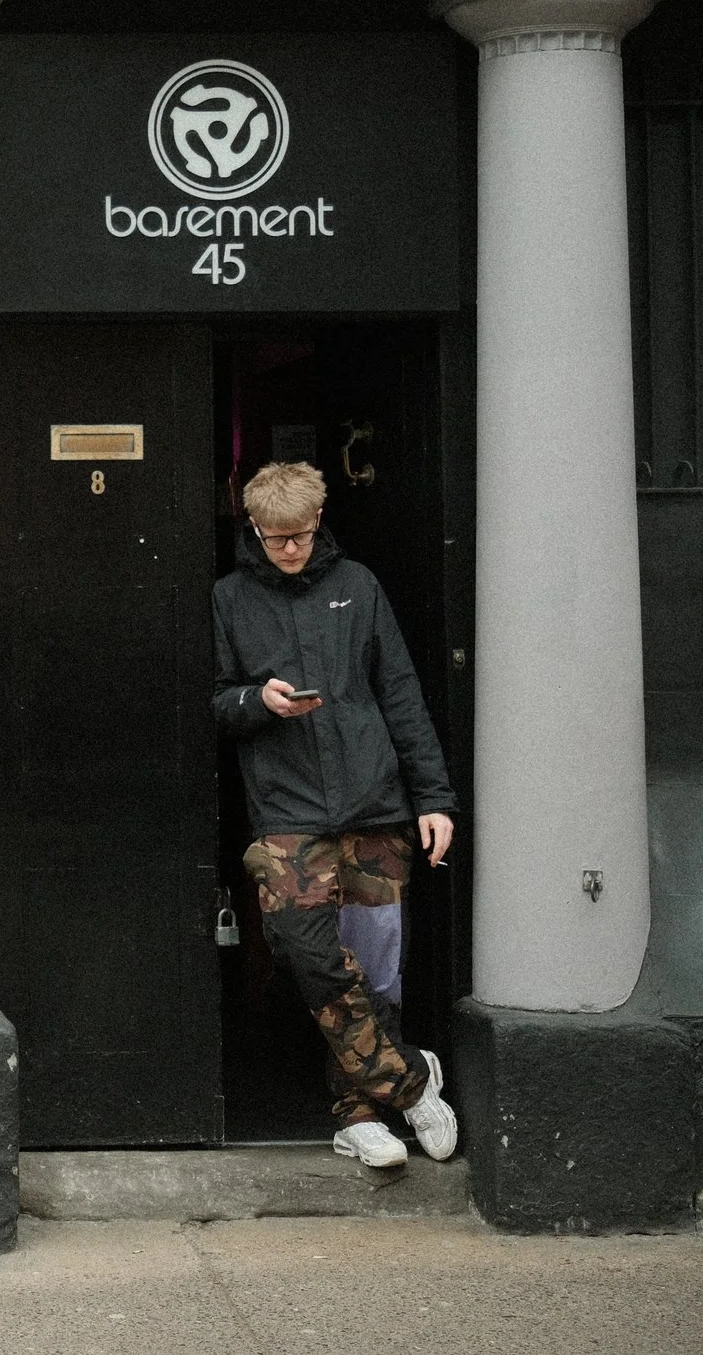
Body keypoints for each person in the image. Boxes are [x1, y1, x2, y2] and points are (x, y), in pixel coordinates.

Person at [212, 460, 460, 1168]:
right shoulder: (230, 598)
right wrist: (259, 701)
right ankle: (410, 1083)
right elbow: (215, 699)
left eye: (298, 535)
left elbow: (402, 694)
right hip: (286, 809)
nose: (288, 549)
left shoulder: (358, 586)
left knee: (375, 971)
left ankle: (357, 1114)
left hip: (376, 804)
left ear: (318, 522)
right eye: (274, 537)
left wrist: (434, 798)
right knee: (313, 958)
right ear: (253, 528)